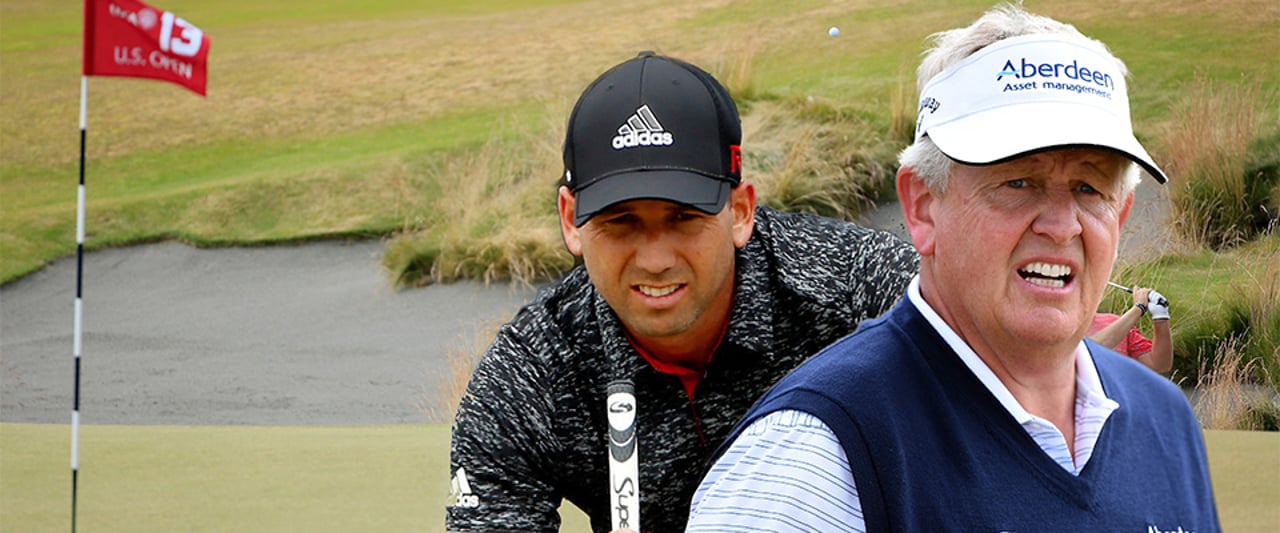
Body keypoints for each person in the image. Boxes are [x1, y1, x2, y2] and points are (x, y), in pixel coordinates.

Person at [687, 4, 1219, 531]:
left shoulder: (1166, 419)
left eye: (1089, 187)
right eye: (1018, 182)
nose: (1063, 226)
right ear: (922, 206)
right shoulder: (810, 463)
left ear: (1119, 215)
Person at [445, 52, 919, 532]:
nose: (655, 260)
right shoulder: (532, 372)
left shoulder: (859, 290)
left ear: (739, 211)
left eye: (684, 217)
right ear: (571, 220)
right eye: (621, 221)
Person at [1088, 285, 1173, 372]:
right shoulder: (1123, 324)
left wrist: (1160, 316)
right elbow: (1089, 350)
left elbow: (1159, 365)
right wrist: (1139, 308)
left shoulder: (1117, 322)